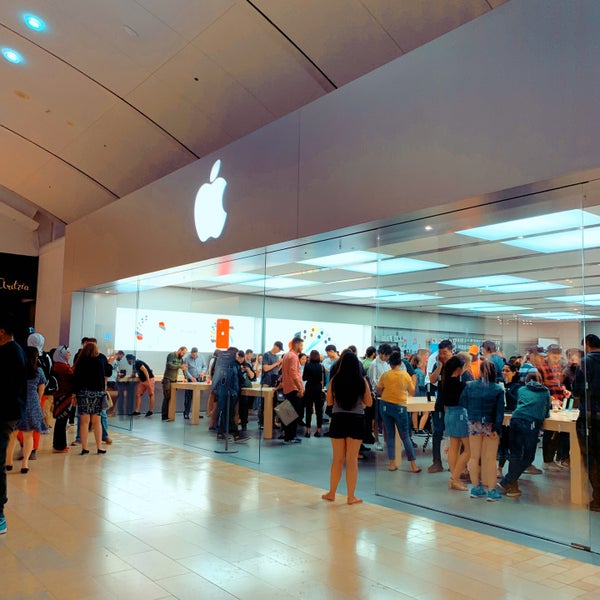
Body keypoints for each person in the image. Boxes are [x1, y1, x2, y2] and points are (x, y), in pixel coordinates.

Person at [322, 352, 372, 504]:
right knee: (352, 460)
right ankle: (351, 496)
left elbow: (329, 402)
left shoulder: (335, 380)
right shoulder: (361, 381)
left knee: (337, 459)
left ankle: (332, 493)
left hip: (338, 419)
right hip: (356, 420)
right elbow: (369, 402)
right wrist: (360, 404)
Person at [498, 372, 551, 498]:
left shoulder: (521, 389)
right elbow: (546, 413)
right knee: (528, 456)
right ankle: (507, 481)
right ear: (540, 381)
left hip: (516, 420)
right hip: (531, 422)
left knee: (515, 454)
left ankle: (512, 485)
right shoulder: (545, 392)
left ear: (526, 381)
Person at [459, 361, 505, 501]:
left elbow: (462, 402)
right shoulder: (498, 389)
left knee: (474, 457)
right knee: (490, 459)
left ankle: (476, 488)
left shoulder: (470, 386)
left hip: (474, 423)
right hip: (490, 424)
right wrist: (497, 428)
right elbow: (499, 412)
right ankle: (491, 491)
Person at [0, 314, 26, 534]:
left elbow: (8, 388)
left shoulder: (10, 352)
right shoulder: (14, 351)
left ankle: (0, 514)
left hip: (5, 414)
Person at [6, 347, 48, 474]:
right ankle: (25, 464)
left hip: (17, 402)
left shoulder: (17, 370)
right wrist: (37, 400)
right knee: (28, 435)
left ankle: (8, 462)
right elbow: (41, 389)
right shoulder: (38, 371)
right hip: (32, 403)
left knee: (12, 434)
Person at [377, 351, 420, 473]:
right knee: (405, 435)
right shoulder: (405, 375)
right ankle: (413, 465)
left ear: (390, 363)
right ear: (400, 363)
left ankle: (392, 463)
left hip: (385, 405)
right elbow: (412, 392)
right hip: (400, 407)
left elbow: (379, 391)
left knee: (390, 435)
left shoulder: (385, 375)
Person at [575, 334, 600, 511]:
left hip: (591, 415)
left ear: (588, 345)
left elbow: (577, 388)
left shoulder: (586, 361)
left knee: (592, 456)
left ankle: (598, 497)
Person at [73, 340, 111, 454]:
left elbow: (76, 379)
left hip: (83, 393)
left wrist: (75, 394)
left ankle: (84, 447)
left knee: (84, 422)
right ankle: (99, 447)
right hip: (97, 394)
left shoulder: (81, 362)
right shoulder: (99, 361)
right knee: (97, 422)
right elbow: (103, 377)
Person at [441, 355, 469, 491]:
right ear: (459, 369)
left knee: (454, 447)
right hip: (459, 415)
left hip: (449, 415)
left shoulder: (446, 382)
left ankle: (454, 477)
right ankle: (455, 478)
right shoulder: (460, 384)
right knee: (468, 450)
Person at [211, 347, 249, 442]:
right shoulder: (231, 365)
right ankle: (234, 434)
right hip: (230, 392)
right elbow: (239, 378)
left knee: (227, 413)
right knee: (228, 412)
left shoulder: (224, 364)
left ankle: (223, 433)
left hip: (229, 392)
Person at [427, 339, 454, 473]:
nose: (442, 355)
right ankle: (436, 462)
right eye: (440, 353)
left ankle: (454, 463)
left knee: (454, 435)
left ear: (451, 351)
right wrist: (439, 366)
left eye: (445, 352)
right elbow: (432, 380)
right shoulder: (439, 364)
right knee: (437, 432)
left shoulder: (457, 365)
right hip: (440, 404)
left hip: (453, 406)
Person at [367, 343, 393, 451]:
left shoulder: (386, 364)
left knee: (385, 419)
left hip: (386, 394)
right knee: (377, 419)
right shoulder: (374, 364)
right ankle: (377, 440)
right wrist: (382, 386)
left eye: (388, 356)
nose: (387, 358)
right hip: (377, 394)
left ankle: (387, 441)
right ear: (380, 353)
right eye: (385, 355)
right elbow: (373, 381)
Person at [50, 345, 75, 453]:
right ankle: (59, 446)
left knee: (61, 421)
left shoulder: (59, 365)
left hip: (60, 395)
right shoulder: (62, 366)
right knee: (62, 421)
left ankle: (59, 444)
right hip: (64, 395)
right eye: (68, 353)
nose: (69, 354)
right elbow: (71, 376)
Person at [281, 337, 304, 444]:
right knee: (294, 414)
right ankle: (290, 437)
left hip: (288, 388)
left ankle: (288, 435)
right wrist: (300, 388)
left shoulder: (287, 355)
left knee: (289, 414)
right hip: (293, 389)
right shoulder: (293, 357)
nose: (302, 347)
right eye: (301, 345)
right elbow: (294, 374)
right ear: (297, 344)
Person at [303, 349, 325, 438]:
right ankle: (318, 430)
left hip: (309, 387)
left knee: (308, 410)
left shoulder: (307, 365)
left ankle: (308, 431)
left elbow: (304, 378)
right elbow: (322, 379)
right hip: (318, 388)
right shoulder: (321, 366)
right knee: (319, 410)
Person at [161, 346, 187, 421]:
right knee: (167, 397)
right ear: (179, 350)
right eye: (183, 353)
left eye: (184, 354)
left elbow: (183, 368)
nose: (183, 355)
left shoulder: (181, 359)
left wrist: (185, 377)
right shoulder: (171, 355)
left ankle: (170, 414)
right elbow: (169, 365)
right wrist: (179, 366)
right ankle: (164, 415)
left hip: (174, 380)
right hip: (167, 380)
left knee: (172, 398)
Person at [183, 347, 206, 419]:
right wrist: (190, 377)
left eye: (195, 355)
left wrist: (203, 372)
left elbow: (204, 366)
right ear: (191, 353)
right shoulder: (187, 358)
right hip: (190, 379)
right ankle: (186, 413)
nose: (194, 356)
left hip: (199, 379)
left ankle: (196, 413)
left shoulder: (201, 357)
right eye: (193, 355)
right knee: (188, 397)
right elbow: (185, 369)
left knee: (197, 397)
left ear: (197, 353)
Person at [236, 350, 256, 431]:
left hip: (245, 388)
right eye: (239, 358)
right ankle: (237, 421)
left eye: (241, 358)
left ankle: (244, 423)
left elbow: (253, 377)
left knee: (244, 406)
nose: (240, 360)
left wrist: (247, 370)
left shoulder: (247, 365)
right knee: (237, 407)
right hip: (237, 387)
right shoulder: (235, 364)